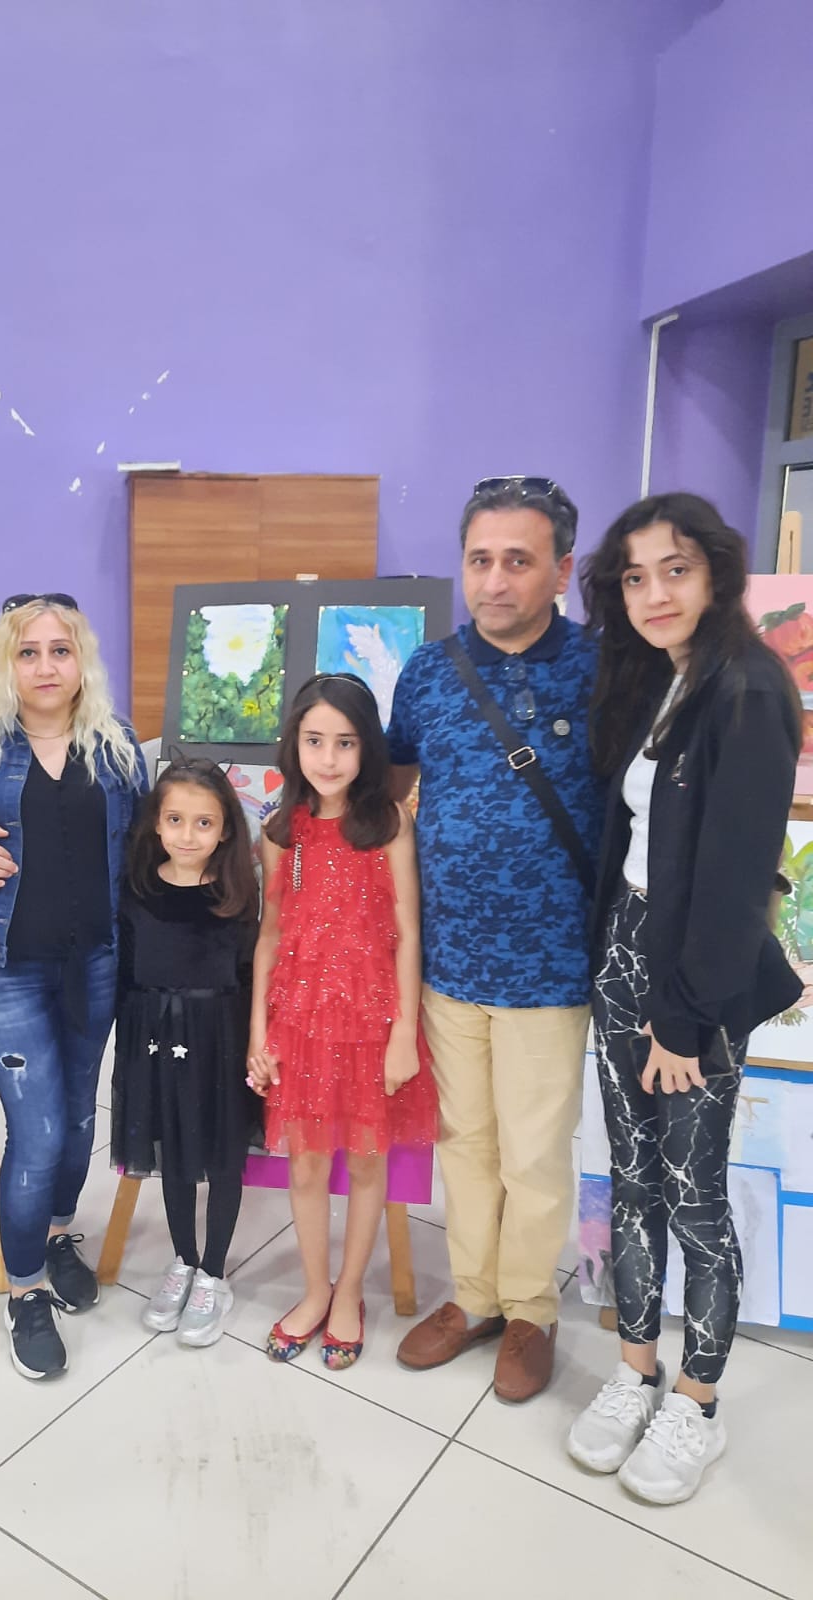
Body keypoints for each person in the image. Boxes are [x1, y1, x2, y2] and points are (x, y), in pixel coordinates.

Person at [567, 493, 800, 1504]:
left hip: (693, 974)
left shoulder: (748, 687)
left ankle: (697, 1402)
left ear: (716, 572)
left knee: (694, 1196)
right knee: (631, 1179)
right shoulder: (663, 677)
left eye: (676, 569)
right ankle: (636, 1371)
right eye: (635, 576)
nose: (654, 593)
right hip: (627, 949)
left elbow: (738, 879)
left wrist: (686, 1017)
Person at [389, 476, 604, 1401]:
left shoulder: (603, 669)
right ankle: (474, 1296)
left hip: (552, 965)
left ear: (561, 569)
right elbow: (393, 789)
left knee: (534, 1154)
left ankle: (530, 1310)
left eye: (519, 560)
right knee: (465, 1143)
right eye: (480, 560)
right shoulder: (429, 672)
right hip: (448, 960)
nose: (495, 580)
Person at [0, 592, 147, 1380]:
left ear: (82, 660)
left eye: (60, 650)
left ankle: (53, 1235)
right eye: (28, 652)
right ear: (5, 662)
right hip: (6, 969)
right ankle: (24, 1290)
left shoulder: (116, 746)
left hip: (96, 962)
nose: (46, 667)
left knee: (79, 1120)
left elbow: (142, 854)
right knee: (39, 1131)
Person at [248, 673, 436, 1370]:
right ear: (294, 745)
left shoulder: (388, 824)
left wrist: (402, 1035)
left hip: (372, 1021)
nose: (328, 758)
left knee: (365, 1160)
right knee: (304, 1163)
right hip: (299, 1022)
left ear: (368, 748)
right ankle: (314, 1289)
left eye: (346, 743)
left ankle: (351, 1291)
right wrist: (259, 1032)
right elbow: (269, 935)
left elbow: (408, 933)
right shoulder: (281, 830)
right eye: (315, 741)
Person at [112, 757, 259, 1347]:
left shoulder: (237, 895)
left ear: (224, 830)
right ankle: (183, 1258)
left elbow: (249, 976)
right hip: (154, 1040)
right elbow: (126, 973)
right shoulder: (137, 891)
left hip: (220, 1041)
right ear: (156, 822)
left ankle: (214, 1272)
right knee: (171, 1151)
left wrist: (254, 1045)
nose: (188, 835)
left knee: (222, 1158)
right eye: (175, 819)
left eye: (204, 822)